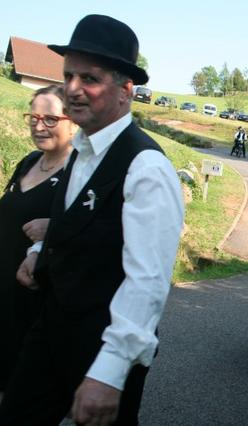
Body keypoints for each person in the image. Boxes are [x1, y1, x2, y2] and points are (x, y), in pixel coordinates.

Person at [0, 15, 184, 425]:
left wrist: (109, 372)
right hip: (51, 329)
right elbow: (71, 223)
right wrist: (38, 251)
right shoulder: (82, 149)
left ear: (126, 90)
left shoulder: (147, 167)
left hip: (105, 344)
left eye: (90, 78)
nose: (73, 90)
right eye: (68, 76)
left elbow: (148, 279)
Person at [0, 85, 74, 393]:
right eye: (33, 117)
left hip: (33, 307)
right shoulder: (29, 161)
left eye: (50, 119)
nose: (39, 126)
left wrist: (55, 229)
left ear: (73, 121)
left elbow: (91, 238)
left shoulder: (80, 174)